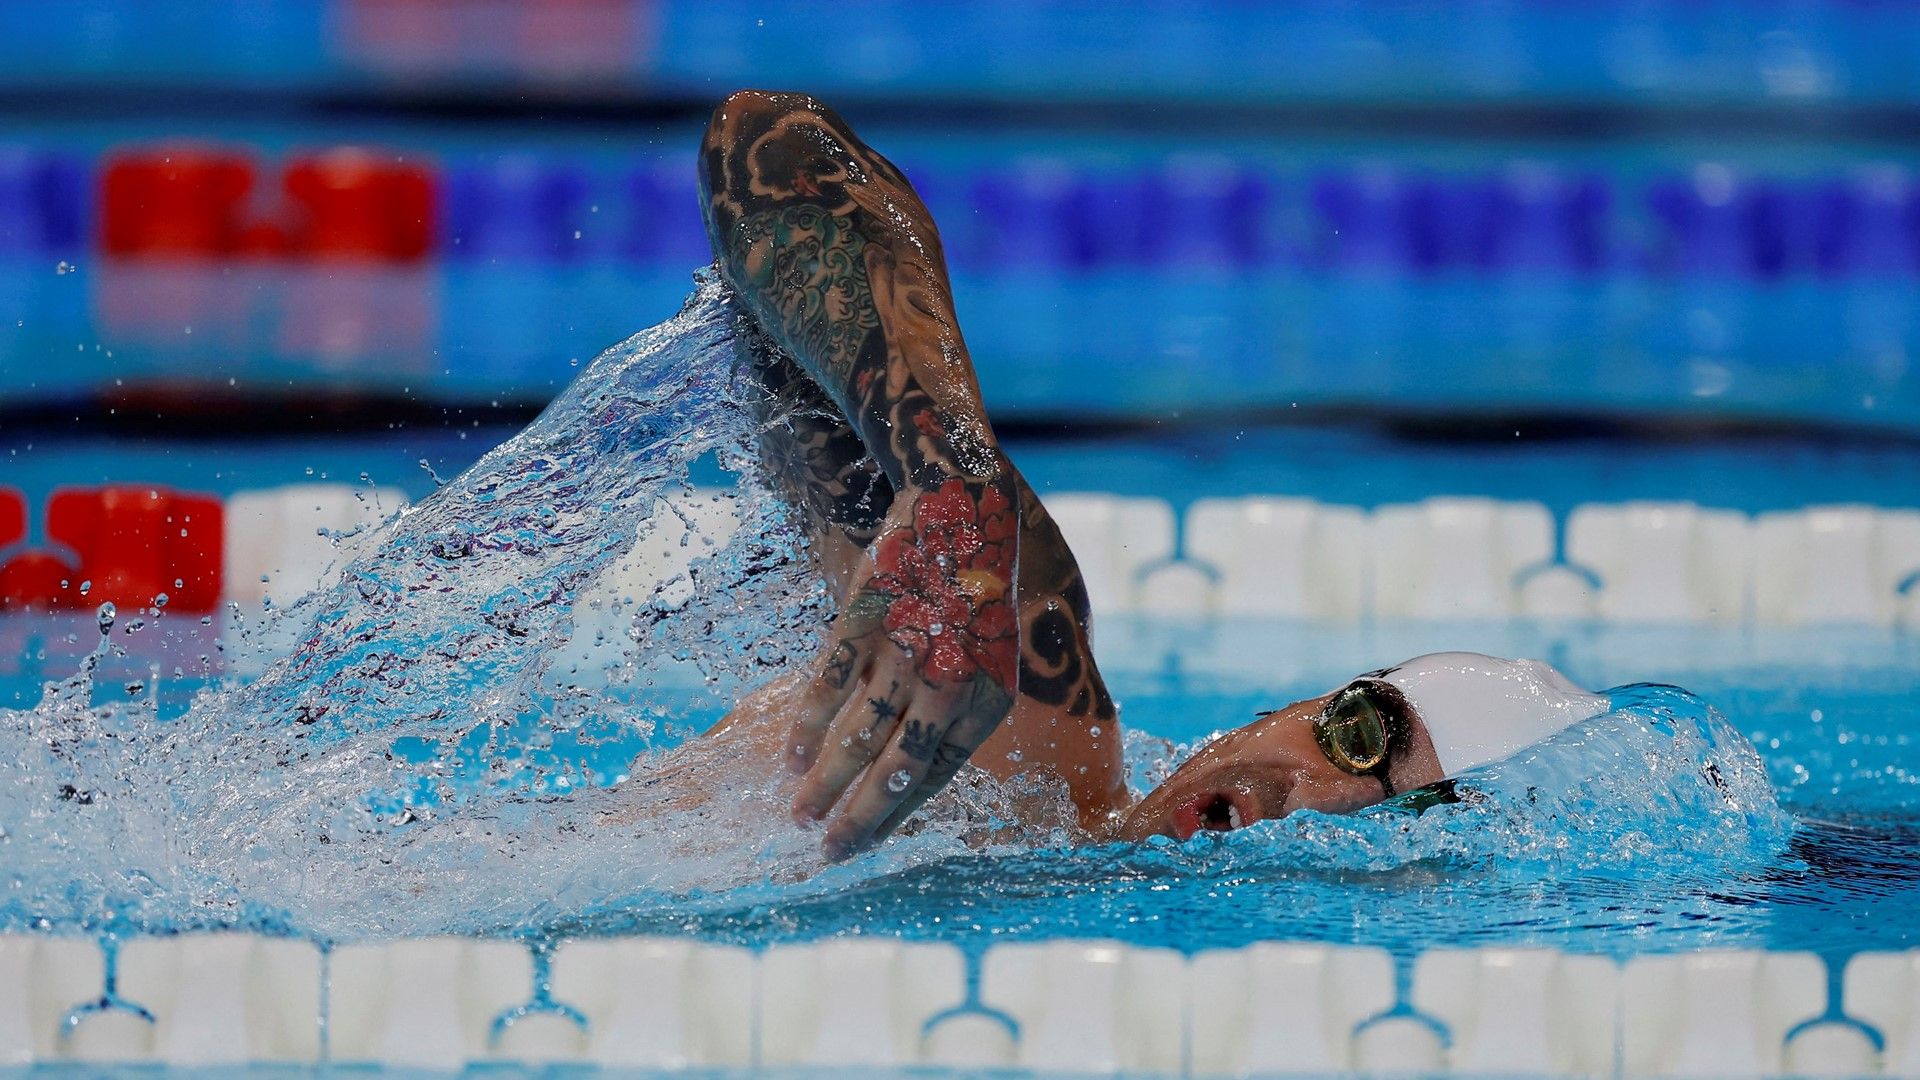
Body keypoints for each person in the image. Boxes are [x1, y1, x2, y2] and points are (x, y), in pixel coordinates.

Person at [684, 90, 1611, 858]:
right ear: (1285, 709)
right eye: (1357, 734)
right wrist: (953, 482)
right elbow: (772, 150)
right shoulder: (1028, 734)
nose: (1318, 797)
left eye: (1396, 818)